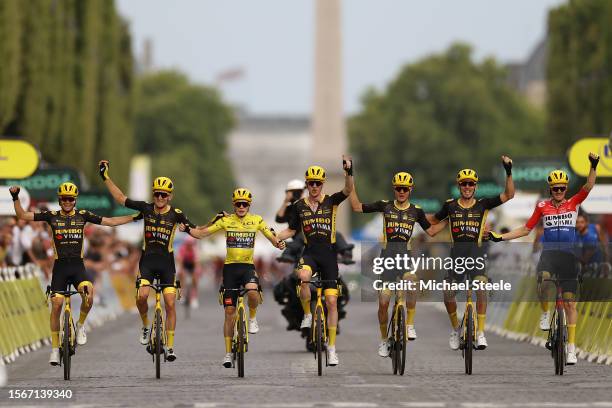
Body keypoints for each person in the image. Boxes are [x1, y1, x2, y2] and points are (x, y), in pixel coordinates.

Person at [9, 183, 139, 365]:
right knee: (56, 304)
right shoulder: (51, 216)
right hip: (60, 268)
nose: (67, 202)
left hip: (78, 267)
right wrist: (15, 197)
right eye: (64, 199)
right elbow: (22, 215)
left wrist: (135, 217)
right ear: (60, 199)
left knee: (89, 294)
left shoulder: (83, 215)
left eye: (71, 199)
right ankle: (55, 349)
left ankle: (80, 325)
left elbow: (110, 221)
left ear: (75, 200)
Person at [490, 152, 599, 365]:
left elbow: (588, 185)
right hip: (549, 255)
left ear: (566, 189)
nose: (559, 191)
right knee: (543, 280)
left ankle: (571, 348)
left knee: (569, 304)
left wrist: (593, 165)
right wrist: (500, 237)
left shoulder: (574, 203)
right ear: (550, 189)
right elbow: (525, 229)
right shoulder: (542, 207)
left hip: (568, 257)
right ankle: (545, 313)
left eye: (562, 188)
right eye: (555, 188)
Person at [99, 160, 196, 362]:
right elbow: (120, 198)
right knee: (142, 296)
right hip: (147, 263)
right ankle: (145, 325)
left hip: (167, 264)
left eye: (164, 194)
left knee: (170, 303)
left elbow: (196, 231)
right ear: (153, 195)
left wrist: (190, 228)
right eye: (157, 194)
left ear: (170, 196)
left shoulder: (177, 214)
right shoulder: (145, 208)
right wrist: (105, 177)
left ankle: (170, 347)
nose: (160, 197)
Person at [183, 188, 285, 367]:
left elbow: (271, 236)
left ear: (249, 205)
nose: (241, 207)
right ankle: (228, 352)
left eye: (244, 204)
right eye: (238, 204)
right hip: (230, 269)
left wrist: (279, 243)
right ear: (234, 204)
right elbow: (202, 233)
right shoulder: (226, 220)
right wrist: (187, 229)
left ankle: (252, 318)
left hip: (247, 267)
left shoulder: (256, 220)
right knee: (229, 313)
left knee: (253, 292)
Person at [349, 171, 447, 357]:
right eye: (398, 188)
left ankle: (409, 325)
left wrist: (449, 218)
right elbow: (355, 206)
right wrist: (350, 178)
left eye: (405, 189)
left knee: (412, 285)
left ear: (410, 190)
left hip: (405, 259)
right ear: (394, 189)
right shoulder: (384, 206)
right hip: (387, 260)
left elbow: (432, 231)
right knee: (384, 303)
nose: (401, 191)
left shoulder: (416, 210)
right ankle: (384, 340)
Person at [428, 156, 514, 351]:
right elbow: (432, 220)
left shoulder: (483, 204)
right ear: (459, 186)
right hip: (456, 256)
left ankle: (481, 332)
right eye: (464, 184)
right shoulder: (450, 206)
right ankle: (454, 329)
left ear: (475, 186)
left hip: (476, 255)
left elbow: (509, 195)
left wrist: (508, 171)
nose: (467, 187)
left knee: (481, 288)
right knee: (448, 293)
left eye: (471, 184)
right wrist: (411, 215)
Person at [276, 156, 353, 366]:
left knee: (331, 302)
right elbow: (291, 230)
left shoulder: (331, 201)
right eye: (311, 183)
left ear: (323, 184)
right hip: (309, 253)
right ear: (307, 184)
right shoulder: (299, 206)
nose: (315, 186)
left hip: (328, 256)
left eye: (318, 183)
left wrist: (349, 172)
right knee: (302, 276)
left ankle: (332, 348)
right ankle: (307, 315)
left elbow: (347, 191)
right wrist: (274, 237)